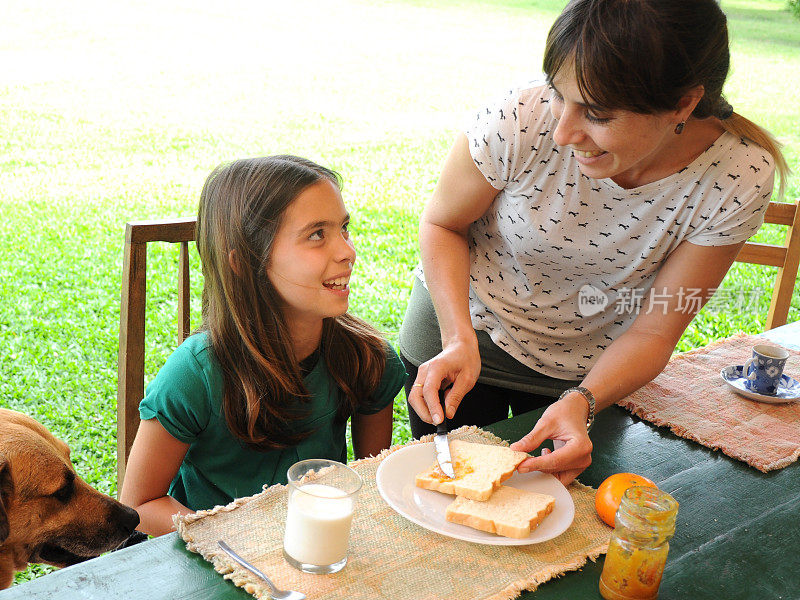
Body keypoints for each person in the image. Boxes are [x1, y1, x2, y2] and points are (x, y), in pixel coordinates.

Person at [399, 0, 789, 485]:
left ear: (684, 104)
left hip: (591, 372)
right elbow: (443, 225)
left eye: (598, 113)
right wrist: (457, 338)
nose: (563, 132)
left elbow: (655, 328)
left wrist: (582, 400)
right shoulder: (519, 118)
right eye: (558, 95)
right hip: (461, 337)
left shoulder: (737, 175)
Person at [121, 156, 406, 536]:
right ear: (244, 262)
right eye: (317, 234)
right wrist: (248, 539)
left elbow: (369, 483)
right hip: (208, 560)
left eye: (344, 228)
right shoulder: (195, 374)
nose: (347, 252)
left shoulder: (368, 360)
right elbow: (138, 505)